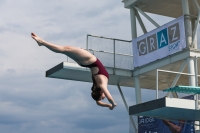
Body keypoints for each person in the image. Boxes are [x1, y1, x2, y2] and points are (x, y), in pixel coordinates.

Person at [31, 33, 117, 110]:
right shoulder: (96, 87)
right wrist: (109, 106)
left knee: (65, 49)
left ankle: (43, 42)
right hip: (85, 63)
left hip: (90, 60)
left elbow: (109, 98)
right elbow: (98, 103)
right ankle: (42, 43)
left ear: (101, 93)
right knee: (64, 50)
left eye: (102, 97)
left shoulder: (102, 85)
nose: (103, 98)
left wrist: (112, 104)